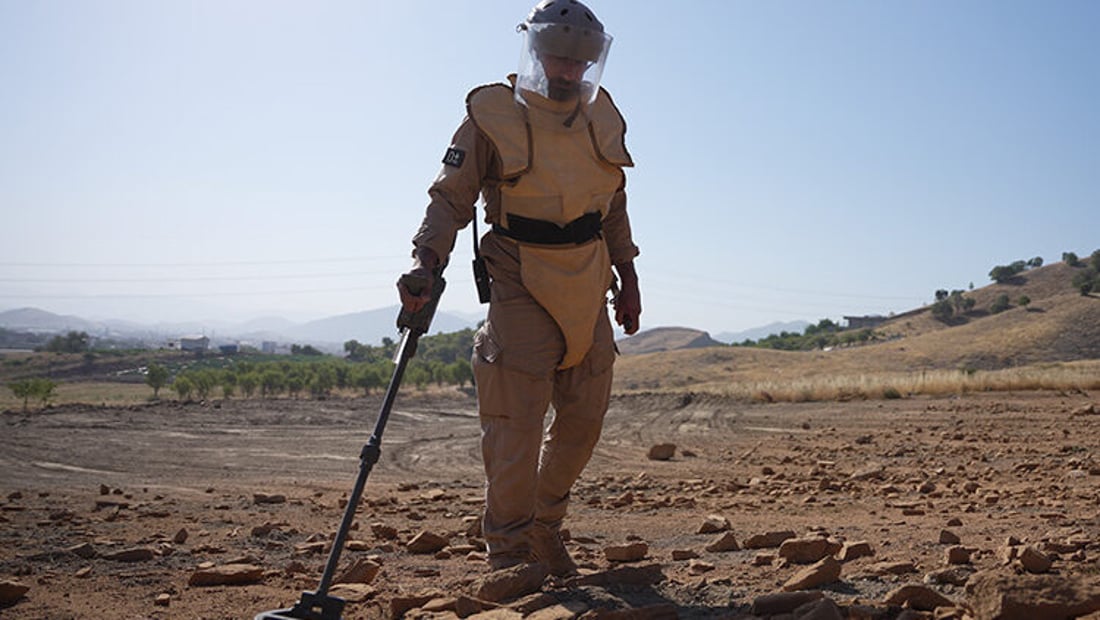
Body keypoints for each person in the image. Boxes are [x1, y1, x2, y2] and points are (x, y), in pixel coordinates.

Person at [398, 0, 641, 577]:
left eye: (578, 63)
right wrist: (425, 261)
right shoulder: (492, 115)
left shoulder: (601, 118)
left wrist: (628, 276)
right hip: (518, 272)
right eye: (557, 57)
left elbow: (614, 204)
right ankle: (509, 556)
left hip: (587, 275)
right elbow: (450, 197)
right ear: (535, 52)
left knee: (584, 419)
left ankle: (544, 526)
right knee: (517, 424)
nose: (567, 71)